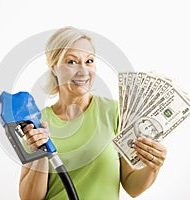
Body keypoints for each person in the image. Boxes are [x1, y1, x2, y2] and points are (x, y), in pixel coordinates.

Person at [19, 26, 167, 200]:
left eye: (89, 61)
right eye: (72, 62)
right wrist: (41, 154)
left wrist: (153, 167)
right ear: (54, 67)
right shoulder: (37, 122)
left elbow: (131, 187)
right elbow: (30, 198)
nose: (83, 71)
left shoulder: (115, 113)